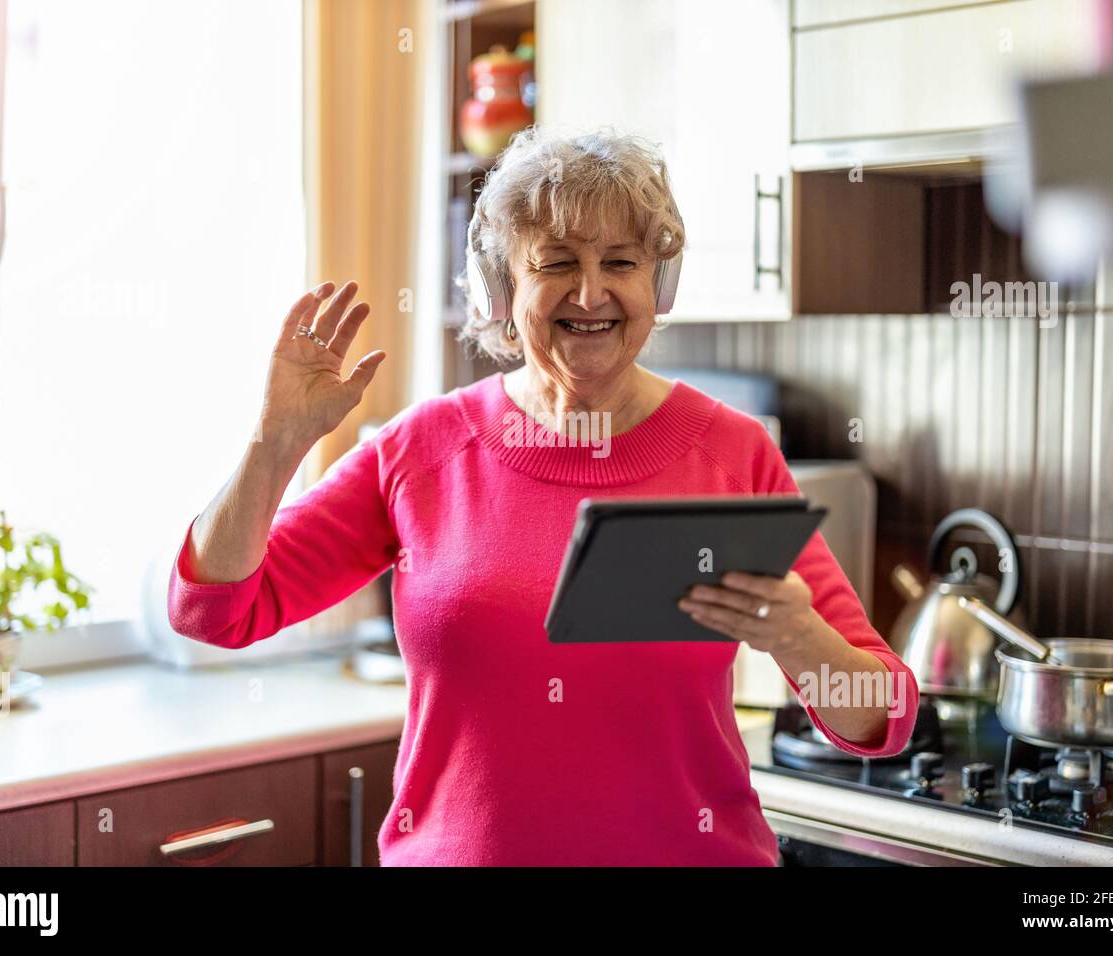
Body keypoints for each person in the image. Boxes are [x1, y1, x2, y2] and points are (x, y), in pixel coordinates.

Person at [168, 126, 918, 866]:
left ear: (657, 286)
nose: (590, 293)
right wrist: (274, 445)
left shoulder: (734, 452)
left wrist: (796, 637)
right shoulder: (423, 449)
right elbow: (214, 609)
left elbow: (878, 719)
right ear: (502, 289)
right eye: (556, 263)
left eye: (621, 262)